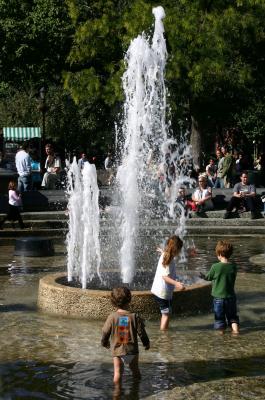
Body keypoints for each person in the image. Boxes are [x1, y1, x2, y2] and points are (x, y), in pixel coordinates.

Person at [101, 287, 150, 384]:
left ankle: (117, 393)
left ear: (113, 302)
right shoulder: (134, 317)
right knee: (135, 371)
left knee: (118, 373)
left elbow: (105, 332)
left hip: (118, 351)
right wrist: (146, 343)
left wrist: (104, 342)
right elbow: (142, 333)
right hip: (132, 350)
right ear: (129, 299)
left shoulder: (112, 317)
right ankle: (136, 390)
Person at [200, 240, 239, 335]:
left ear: (220, 254)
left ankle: (221, 336)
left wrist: (202, 276)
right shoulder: (234, 266)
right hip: (231, 297)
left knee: (219, 319)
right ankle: (236, 332)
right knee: (232, 317)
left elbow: (208, 277)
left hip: (218, 299)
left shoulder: (215, 267)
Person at [151, 235, 185, 330]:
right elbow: (165, 277)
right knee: (166, 314)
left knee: (164, 313)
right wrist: (176, 284)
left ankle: (164, 330)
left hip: (157, 290)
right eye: (180, 249)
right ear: (176, 250)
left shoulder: (165, 255)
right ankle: (164, 335)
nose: (180, 252)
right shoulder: (168, 259)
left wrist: (162, 251)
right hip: (164, 293)